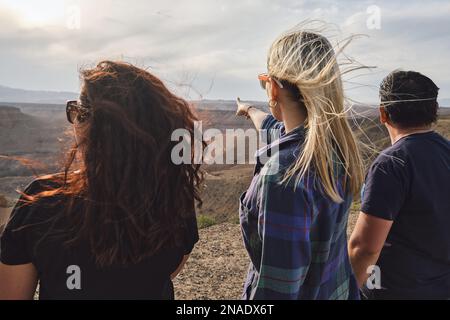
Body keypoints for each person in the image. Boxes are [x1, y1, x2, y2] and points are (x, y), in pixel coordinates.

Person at [0, 61, 203, 299]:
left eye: (76, 111)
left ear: (87, 124)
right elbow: (169, 271)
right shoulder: (174, 196)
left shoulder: (41, 201)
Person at [236, 27, 364, 299]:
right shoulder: (334, 146)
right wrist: (248, 110)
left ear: (273, 87)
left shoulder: (283, 174)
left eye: (264, 81)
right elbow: (270, 126)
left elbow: (277, 291)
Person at [348, 70, 450, 299]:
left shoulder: (390, 165)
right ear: (433, 112)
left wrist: (344, 292)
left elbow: (364, 248)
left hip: (395, 291)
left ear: (383, 114)